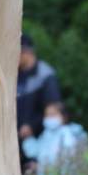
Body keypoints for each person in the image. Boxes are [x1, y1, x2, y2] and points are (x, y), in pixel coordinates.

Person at [17, 35, 63, 165]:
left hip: (40, 142)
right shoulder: (15, 75)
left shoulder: (45, 75)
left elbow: (53, 111)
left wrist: (31, 125)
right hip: (18, 141)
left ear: (25, 52)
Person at [21, 103, 88, 175]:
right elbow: (36, 151)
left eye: (52, 115)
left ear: (64, 117)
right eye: (47, 115)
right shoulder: (46, 134)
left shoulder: (67, 134)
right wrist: (28, 138)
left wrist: (42, 167)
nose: (49, 118)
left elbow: (67, 159)